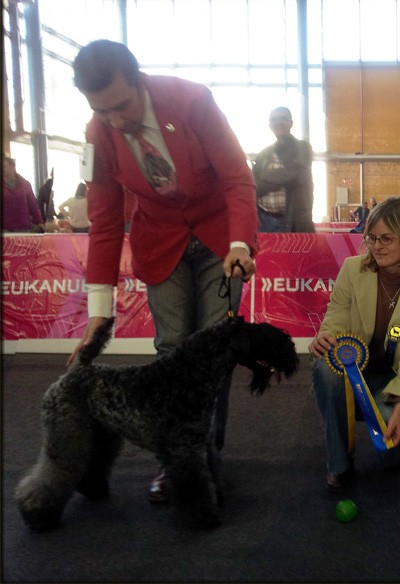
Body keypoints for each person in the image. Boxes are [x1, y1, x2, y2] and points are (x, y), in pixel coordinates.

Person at [68, 39, 258, 503]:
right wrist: (98, 312)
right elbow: (105, 221)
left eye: (121, 106)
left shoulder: (192, 101)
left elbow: (237, 178)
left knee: (213, 353)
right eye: (101, 110)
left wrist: (239, 244)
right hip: (160, 242)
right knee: (171, 349)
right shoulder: (98, 133)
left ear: (139, 81)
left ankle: (206, 458)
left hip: (218, 240)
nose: (114, 120)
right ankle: (173, 460)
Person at [308, 196, 400, 493]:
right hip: (358, 371)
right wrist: (326, 336)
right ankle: (339, 464)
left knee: (389, 433)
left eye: (387, 238)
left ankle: (393, 445)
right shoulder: (352, 269)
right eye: (371, 237)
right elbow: (335, 316)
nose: (376, 246)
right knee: (324, 368)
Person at [252, 107, 315, 233]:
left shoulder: (303, 148)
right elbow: (253, 185)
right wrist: (282, 178)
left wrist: (265, 177)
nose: (278, 123)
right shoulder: (263, 154)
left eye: (283, 119)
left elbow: (297, 176)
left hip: (293, 222)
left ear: (291, 123)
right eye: (274, 119)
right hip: (264, 221)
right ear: (270, 125)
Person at [3, 156, 44, 233]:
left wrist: (39, 222)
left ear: (13, 167)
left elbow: (33, 205)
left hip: (22, 226)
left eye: (4, 166)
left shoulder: (25, 184)